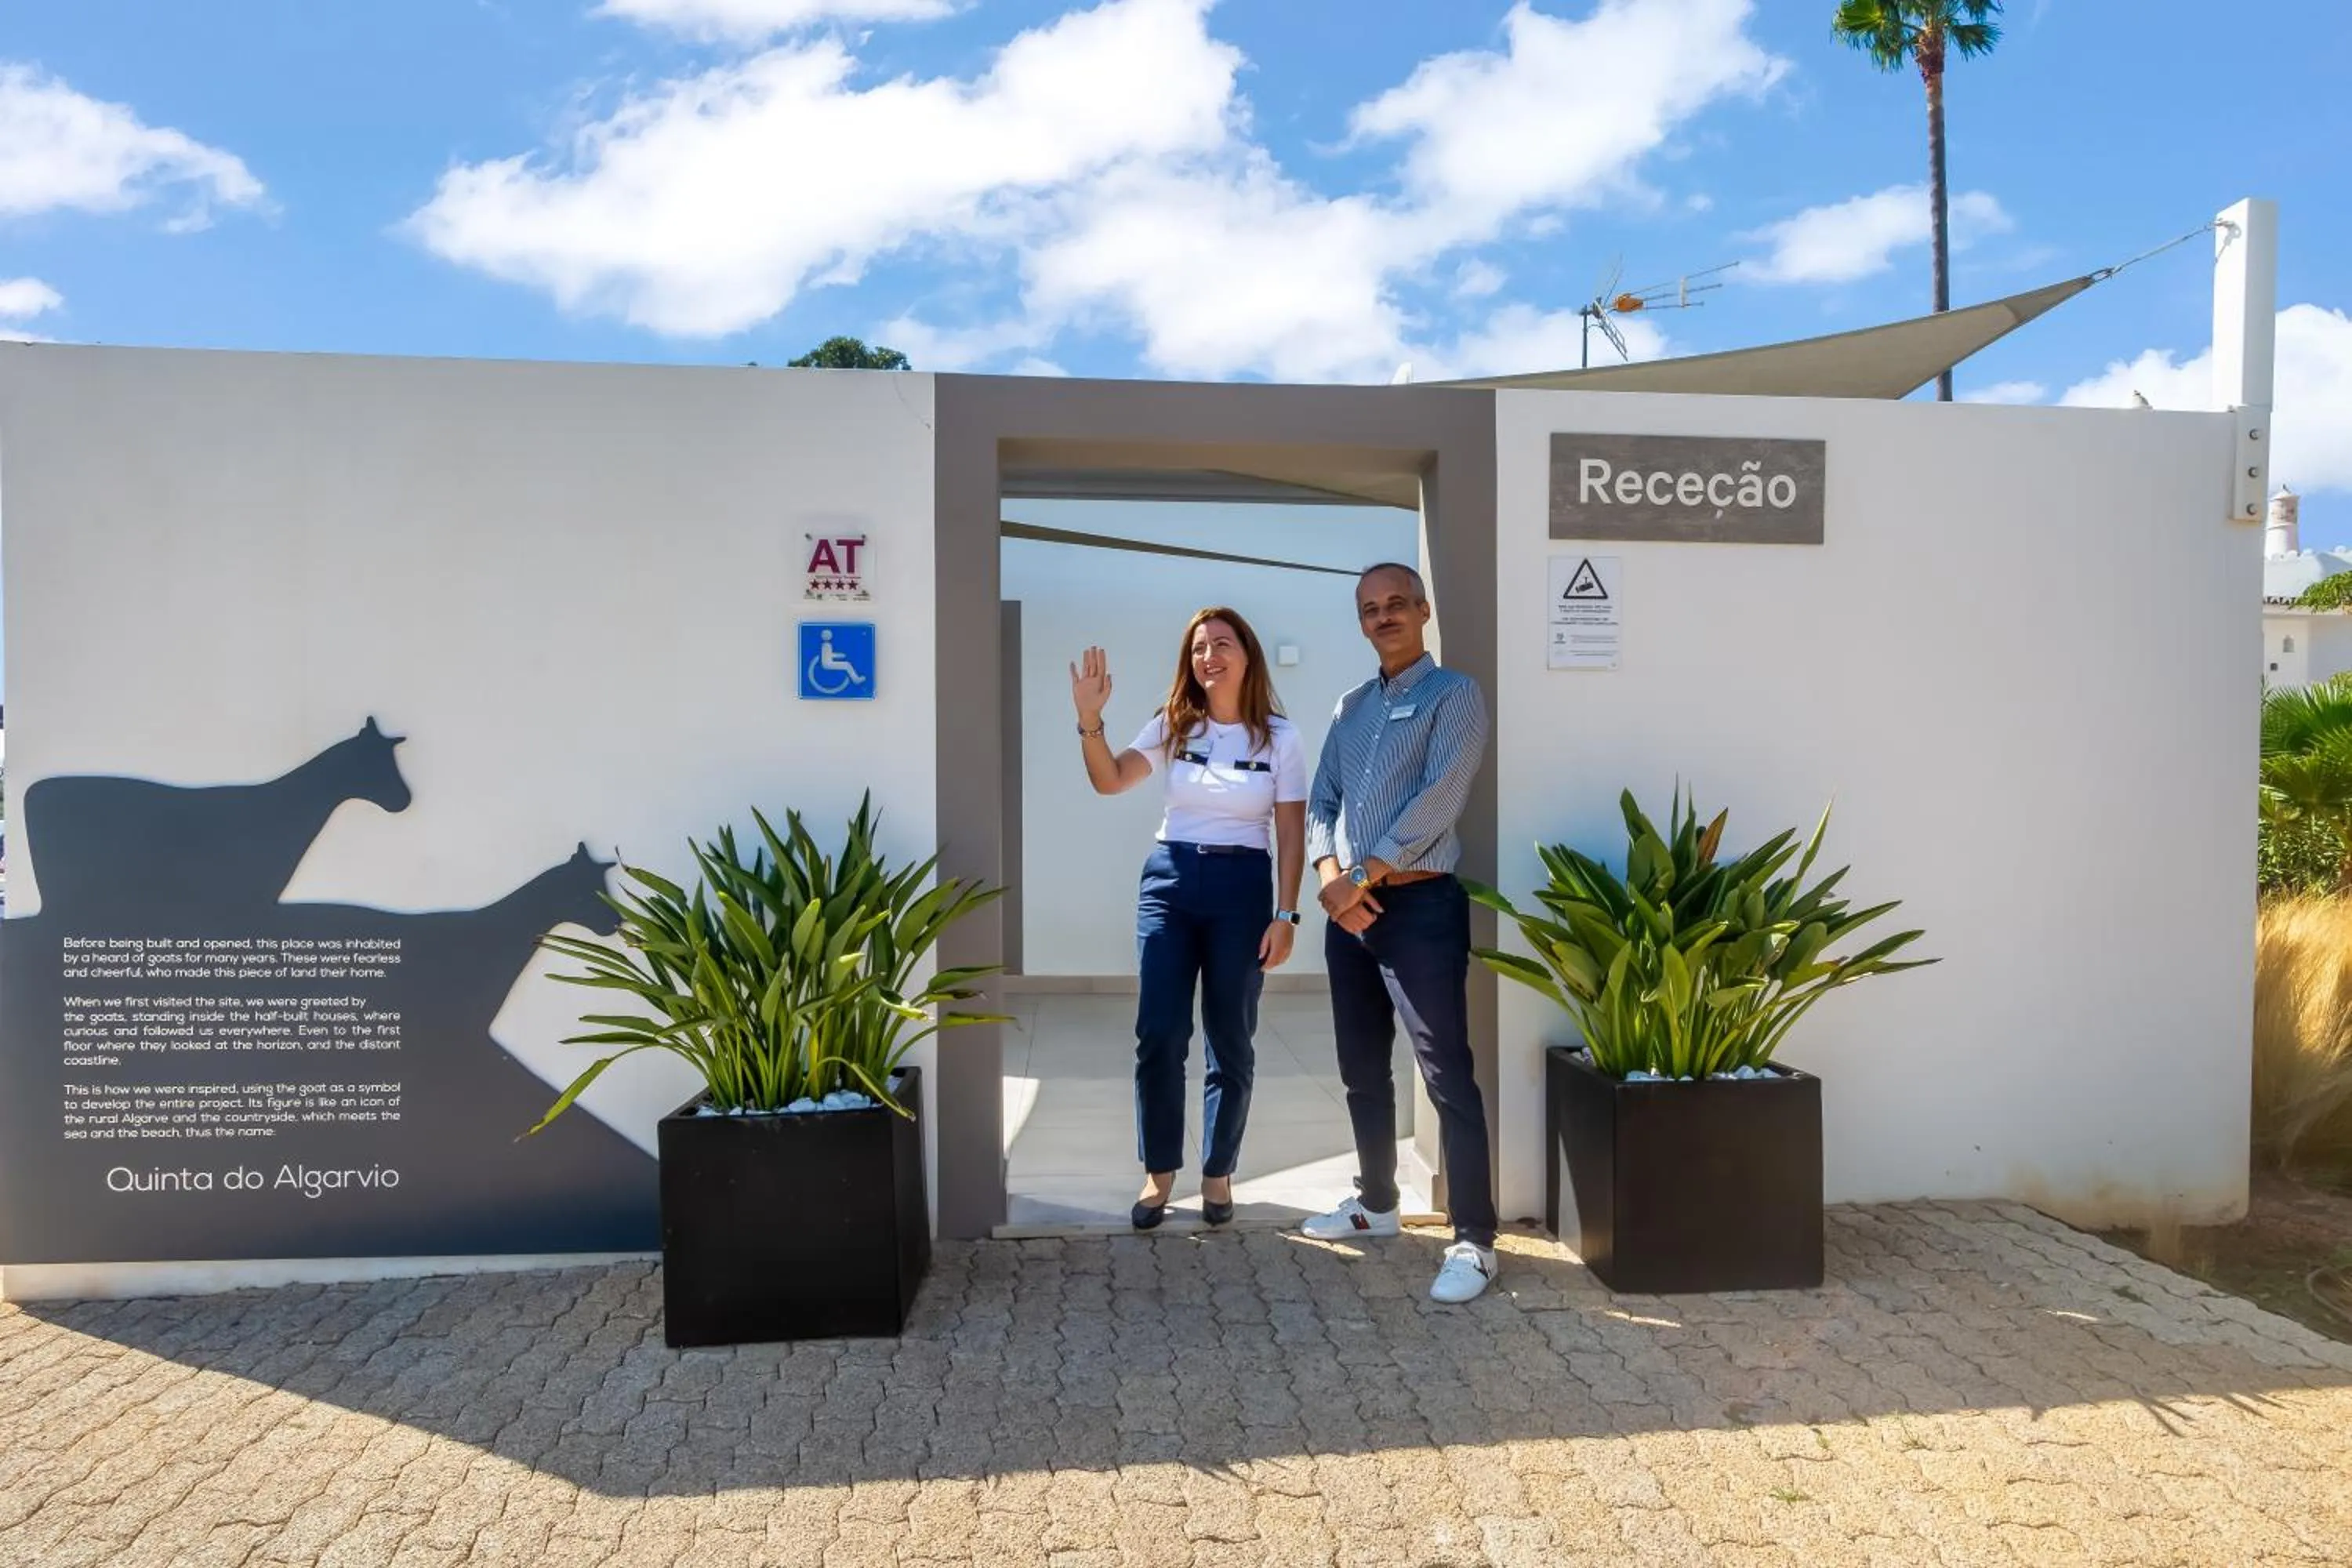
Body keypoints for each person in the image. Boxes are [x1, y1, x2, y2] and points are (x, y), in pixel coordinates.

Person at [1069, 607, 1308, 1230]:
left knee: (1231, 1037)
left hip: (1243, 886)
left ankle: (1218, 1172)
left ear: (1247, 656)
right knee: (1160, 1033)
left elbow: (1288, 832)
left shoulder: (1281, 737)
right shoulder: (1173, 726)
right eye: (1199, 648)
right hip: (1170, 882)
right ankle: (1158, 1174)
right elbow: (1111, 781)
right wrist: (1090, 721)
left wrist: (1285, 914)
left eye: (1222, 644)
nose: (1209, 656)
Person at [1299, 562, 1499, 1304]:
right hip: (1348, 913)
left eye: (1395, 605)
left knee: (1447, 1074)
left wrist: (1365, 875)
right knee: (1360, 1068)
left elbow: (1440, 796)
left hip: (1418, 909)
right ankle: (1377, 1206)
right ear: (1361, 621)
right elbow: (1324, 795)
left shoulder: (1456, 695)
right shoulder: (1349, 706)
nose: (1383, 617)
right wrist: (1330, 875)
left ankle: (1476, 1241)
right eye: (1369, 609)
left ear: (1423, 609)